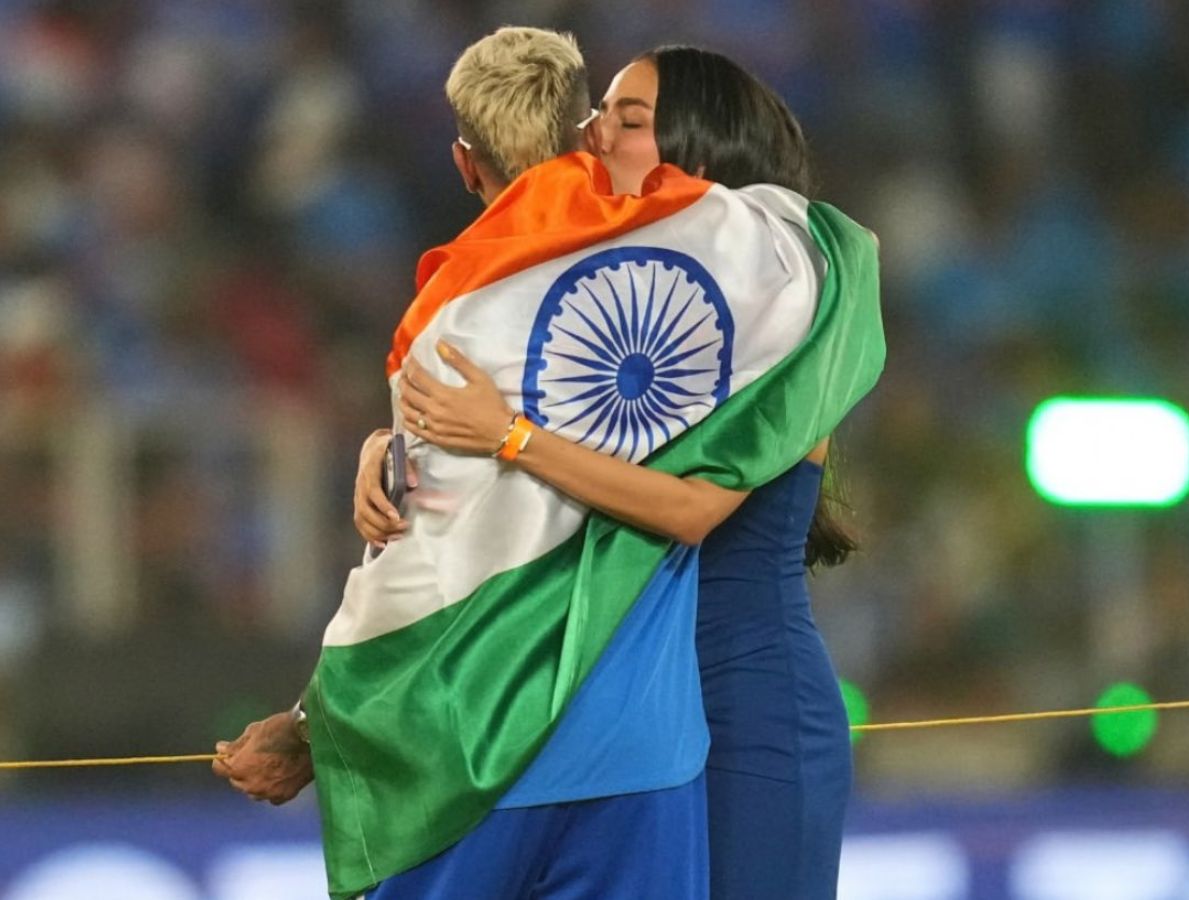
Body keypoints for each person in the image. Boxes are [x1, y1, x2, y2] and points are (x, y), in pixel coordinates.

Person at [216, 27, 883, 900]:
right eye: (597, 112)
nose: (591, 135)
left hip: (743, 706)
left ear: (698, 159)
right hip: (616, 708)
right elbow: (479, 532)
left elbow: (685, 508)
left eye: (626, 120)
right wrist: (400, 449)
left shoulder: (779, 313)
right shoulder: (594, 312)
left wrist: (508, 437)